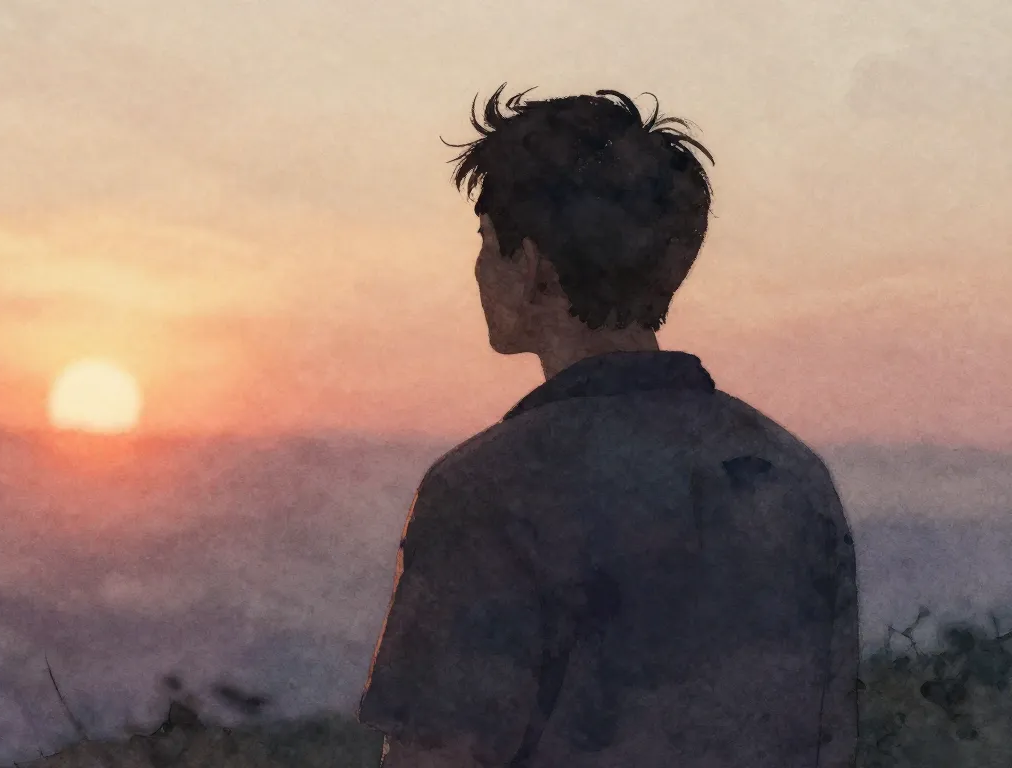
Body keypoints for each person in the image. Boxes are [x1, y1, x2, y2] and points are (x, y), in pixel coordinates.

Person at [356, 85, 860, 768]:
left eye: (487, 243)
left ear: (531, 268)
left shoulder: (490, 490)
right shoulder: (788, 473)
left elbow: (436, 755)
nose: (478, 269)